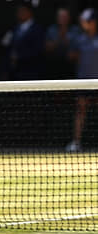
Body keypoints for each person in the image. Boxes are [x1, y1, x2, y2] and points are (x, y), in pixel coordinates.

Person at [66, 8, 98, 152]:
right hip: (83, 82)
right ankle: (76, 142)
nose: (86, 24)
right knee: (80, 111)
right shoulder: (78, 39)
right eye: (84, 21)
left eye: (88, 21)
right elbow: (72, 57)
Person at [4, 3, 46, 80]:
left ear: (29, 12)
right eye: (19, 11)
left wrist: (19, 57)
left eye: (22, 11)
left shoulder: (37, 29)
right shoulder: (15, 28)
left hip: (31, 72)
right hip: (15, 72)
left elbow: (38, 50)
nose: (20, 13)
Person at [45, 7, 80, 79]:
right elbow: (47, 48)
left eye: (65, 16)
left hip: (71, 67)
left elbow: (79, 49)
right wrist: (60, 38)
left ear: (69, 17)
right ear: (56, 18)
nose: (63, 19)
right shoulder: (51, 30)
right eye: (60, 16)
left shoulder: (75, 30)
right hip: (54, 66)